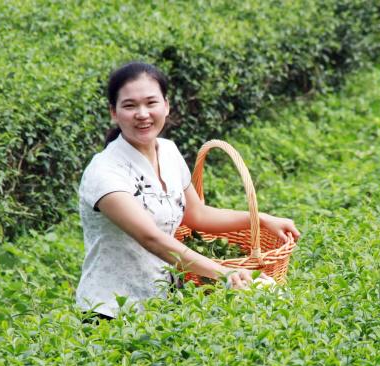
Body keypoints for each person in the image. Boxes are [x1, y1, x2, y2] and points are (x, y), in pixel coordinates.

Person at [76, 62, 300, 319]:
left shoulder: (168, 151)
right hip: (110, 311)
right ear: (113, 113)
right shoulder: (104, 172)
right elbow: (152, 239)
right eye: (130, 105)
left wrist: (259, 219)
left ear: (166, 106)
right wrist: (224, 272)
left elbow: (197, 215)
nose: (142, 113)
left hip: (166, 302)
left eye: (151, 103)